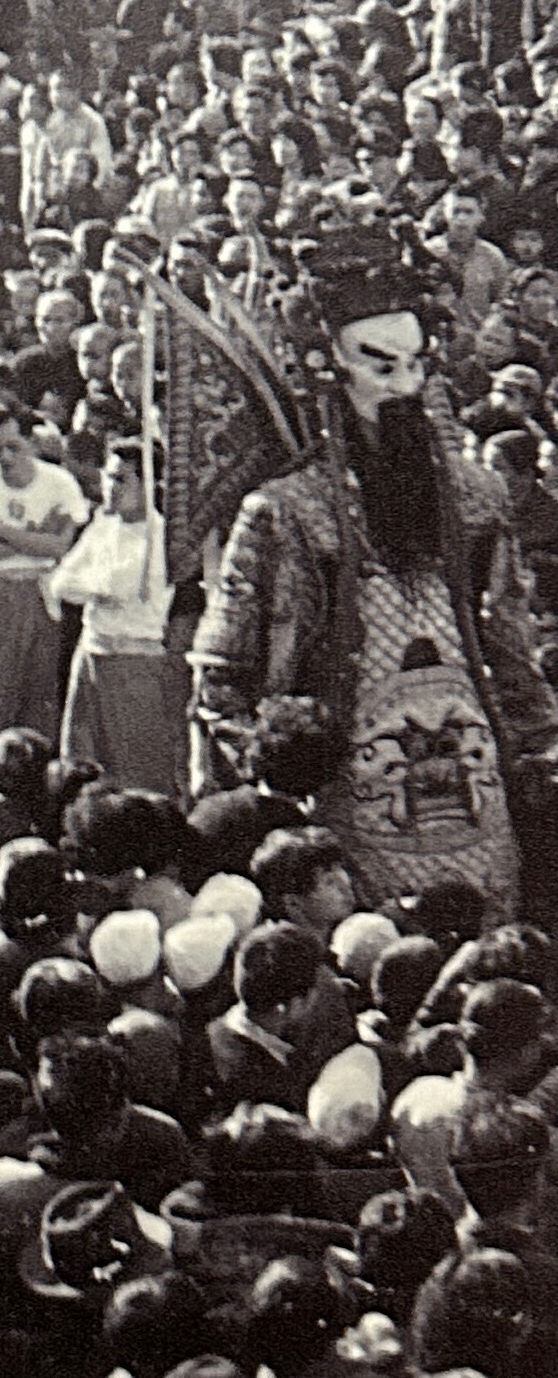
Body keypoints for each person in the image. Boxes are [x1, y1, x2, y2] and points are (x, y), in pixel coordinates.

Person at [193, 224, 558, 912]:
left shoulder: (478, 495)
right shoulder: (283, 511)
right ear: (331, 366)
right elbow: (220, 678)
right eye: (380, 365)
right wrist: (270, 754)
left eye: (414, 364)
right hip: (346, 793)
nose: (402, 384)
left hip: (476, 788)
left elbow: (510, 644)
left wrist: (540, 749)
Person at [0, 394, 88, 773]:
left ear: (34, 443)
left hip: (42, 591)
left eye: (14, 447)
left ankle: (29, 776)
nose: (5, 458)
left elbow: (60, 547)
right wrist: (30, 537)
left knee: (37, 687)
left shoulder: (59, 483)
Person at [44, 439, 185, 796]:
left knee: (137, 771)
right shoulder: (102, 526)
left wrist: (94, 587)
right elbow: (62, 583)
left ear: (148, 484)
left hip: (134, 662)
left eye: (122, 479)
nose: (110, 487)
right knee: (80, 762)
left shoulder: (160, 537)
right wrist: (95, 588)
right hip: (91, 653)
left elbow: (114, 586)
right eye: (108, 477)